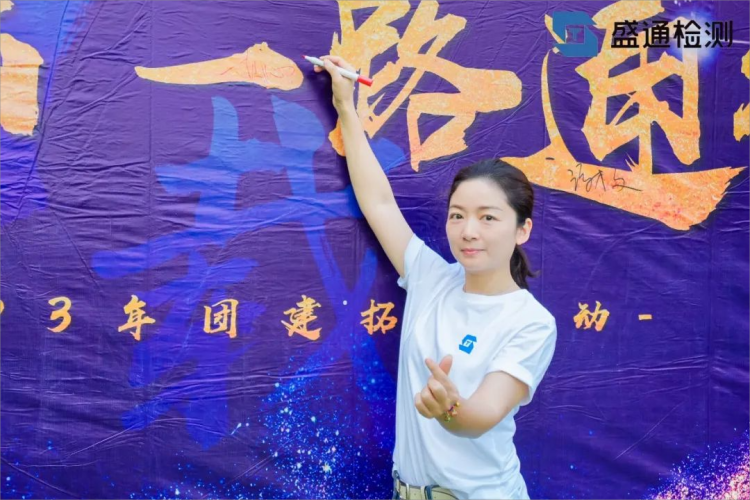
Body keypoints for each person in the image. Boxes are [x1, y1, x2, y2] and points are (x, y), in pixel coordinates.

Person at [314, 55, 557, 500]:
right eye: (458, 215)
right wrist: (345, 106)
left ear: (523, 229)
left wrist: (450, 409)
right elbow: (379, 203)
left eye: (488, 217)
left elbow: (482, 415)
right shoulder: (432, 277)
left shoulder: (531, 322)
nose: (468, 231)